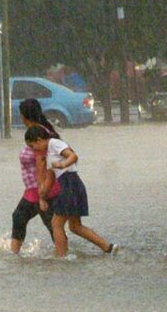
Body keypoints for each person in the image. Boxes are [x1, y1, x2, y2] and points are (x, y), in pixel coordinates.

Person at [24, 125, 117, 258]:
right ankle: (109, 248)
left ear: (39, 140)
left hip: (70, 184)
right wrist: (42, 197)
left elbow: (73, 156)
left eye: (33, 146)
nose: (34, 150)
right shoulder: (49, 155)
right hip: (73, 185)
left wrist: (62, 164)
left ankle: (61, 257)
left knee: (56, 224)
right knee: (75, 226)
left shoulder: (55, 143)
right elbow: (49, 180)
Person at [9, 99, 60, 254]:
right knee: (21, 217)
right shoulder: (40, 131)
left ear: (25, 116)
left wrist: (42, 194)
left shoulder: (40, 135)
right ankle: (15, 254)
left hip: (41, 189)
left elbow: (42, 164)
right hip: (35, 189)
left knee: (51, 224)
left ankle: (63, 255)